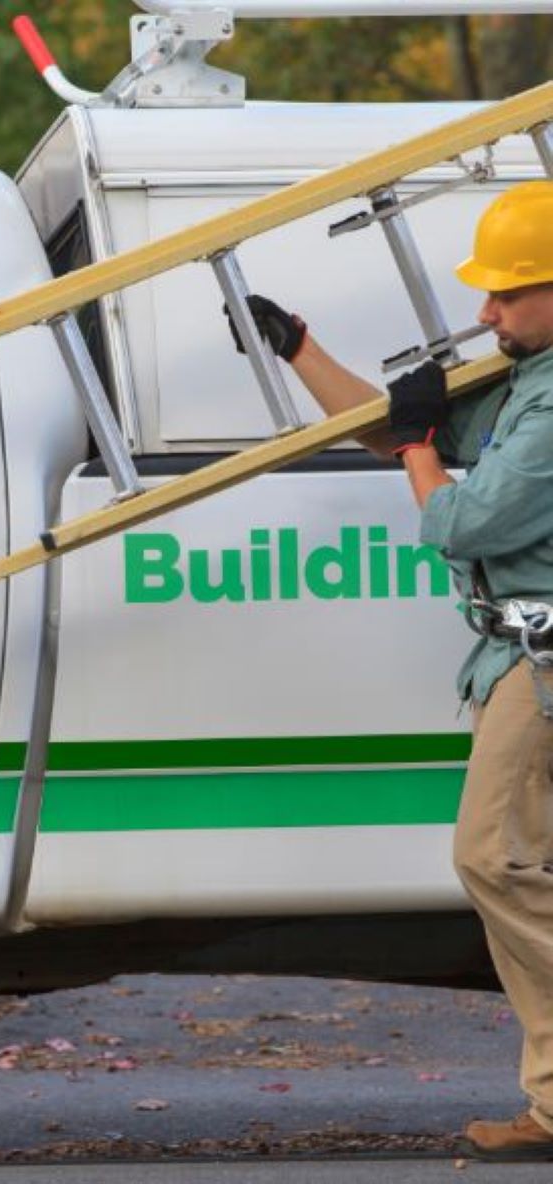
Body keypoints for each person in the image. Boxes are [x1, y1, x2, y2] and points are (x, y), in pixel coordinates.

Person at [228, 179, 553, 1162]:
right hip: (515, 651)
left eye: (506, 294)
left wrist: (418, 443)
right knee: (520, 865)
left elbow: (455, 515)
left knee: (490, 858)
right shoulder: (524, 379)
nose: (485, 311)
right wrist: (300, 350)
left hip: (540, 662)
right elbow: (391, 433)